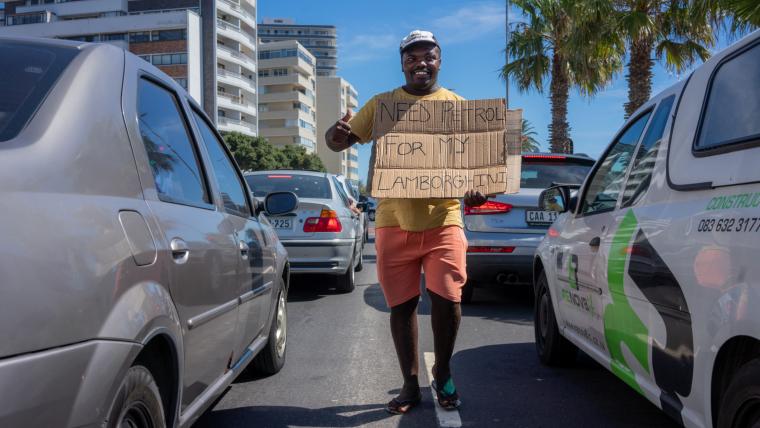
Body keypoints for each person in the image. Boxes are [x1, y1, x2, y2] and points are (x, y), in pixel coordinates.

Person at [325, 30, 487, 415]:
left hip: (443, 218)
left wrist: (477, 188)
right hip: (392, 221)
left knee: (448, 299)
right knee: (402, 305)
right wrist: (336, 133)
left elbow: (477, 167)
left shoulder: (458, 108)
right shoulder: (382, 105)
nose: (421, 63)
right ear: (402, 62)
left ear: (439, 60)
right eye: (412, 57)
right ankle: (410, 384)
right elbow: (339, 142)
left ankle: (443, 373)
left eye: (428, 56)